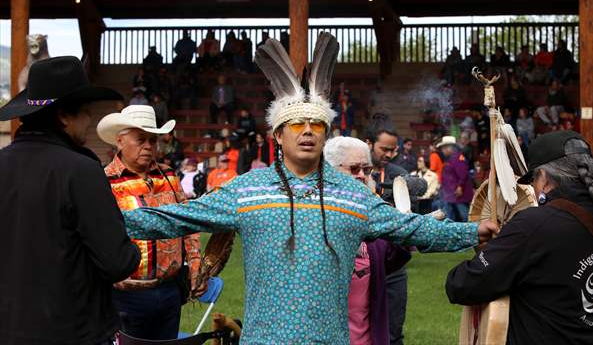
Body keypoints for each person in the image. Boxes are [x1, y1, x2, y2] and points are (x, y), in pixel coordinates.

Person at [121, 34, 497, 344]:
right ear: (278, 135)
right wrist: (106, 220)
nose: (306, 131)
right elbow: (176, 216)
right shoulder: (247, 191)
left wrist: (471, 231)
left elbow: (414, 228)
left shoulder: (353, 196)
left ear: (326, 132)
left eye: (316, 125)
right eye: (296, 124)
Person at [0, 56, 140, 344]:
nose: (89, 122)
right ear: (65, 115)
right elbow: (118, 261)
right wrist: (135, 252)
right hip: (72, 330)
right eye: (86, 113)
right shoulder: (80, 170)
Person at [446, 130, 593, 344]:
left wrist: (493, 250)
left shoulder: (534, 224)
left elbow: (463, 285)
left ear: (542, 177)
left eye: (532, 180)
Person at [97, 105, 204, 340]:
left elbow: (188, 223)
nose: (148, 146)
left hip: (169, 290)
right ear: (120, 142)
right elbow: (97, 236)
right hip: (125, 295)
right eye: (141, 139)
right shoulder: (105, 181)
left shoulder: (169, 176)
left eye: (153, 141)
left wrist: (195, 265)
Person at [324, 136, 403, 345]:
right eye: (354, 169)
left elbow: (391, 258)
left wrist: (404, 216)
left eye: (367, 170)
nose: (361, 176)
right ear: (329, 171)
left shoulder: (372, 216)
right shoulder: (310, 216)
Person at [364, 115, 427, 345]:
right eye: (384, 149)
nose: (389, 154)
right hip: (358, 264)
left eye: (393, 150)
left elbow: (414, 216)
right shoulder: (355, 172)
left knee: (393, 333)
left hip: (392, 266)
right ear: (368, 143)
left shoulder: (399, 173)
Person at [438, 136, 474, 222]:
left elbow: (463, 174)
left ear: (449, 148)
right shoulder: (450, 159)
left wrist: (460, 186)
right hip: (450, 194)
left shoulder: (458, 158)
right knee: (451, 216)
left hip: (458, 195)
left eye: (443, 148)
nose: (442, 151)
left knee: (464, 216)